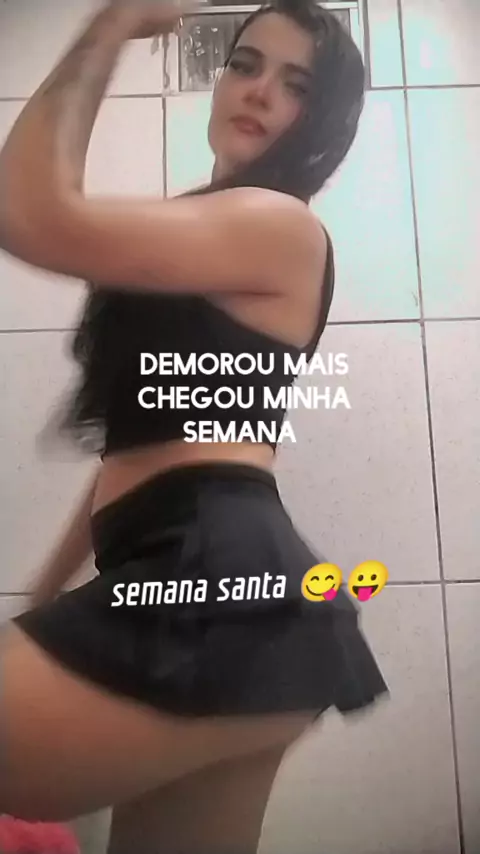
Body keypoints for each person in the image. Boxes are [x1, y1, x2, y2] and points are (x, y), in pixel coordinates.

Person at [0, 1, 388, 852]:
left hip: (214, 577)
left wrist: (109, 25)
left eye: (296, 84)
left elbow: (30, 213)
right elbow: (142, 452)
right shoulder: (210, 230)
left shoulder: (278, 224)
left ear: (322, 117)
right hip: (229, 590)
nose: (258, 91)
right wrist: (46, 591)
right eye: (244, 65)